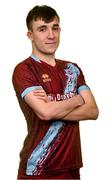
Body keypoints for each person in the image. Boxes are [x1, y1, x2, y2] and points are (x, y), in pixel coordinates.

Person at [12, 5, 99, 180]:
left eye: (55, 28)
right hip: (38, 169)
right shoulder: (24, 69)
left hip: (71, 166)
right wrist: (77, 99)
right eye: (42, 29)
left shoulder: (72, 69)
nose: (51, 35)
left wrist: (53, 107)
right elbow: (45, 113)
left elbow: (93, 111)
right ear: (30, 35)